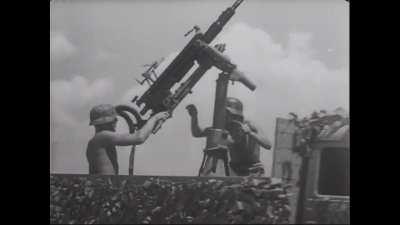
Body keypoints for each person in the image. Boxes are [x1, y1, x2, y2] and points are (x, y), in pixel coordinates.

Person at [186, 97, 272, 176]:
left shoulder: (249, 125)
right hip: (234, 169)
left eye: (227, 114)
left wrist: (250, 133)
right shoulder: (224, 126)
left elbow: (268, 145)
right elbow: (198, 133)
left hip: (253, 169)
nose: (225, 117)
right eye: (223, 114)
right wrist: (194, 117)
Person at [86, 104, 169, 175]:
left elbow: (138, 135)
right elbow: (139, 138)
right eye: (114, 120)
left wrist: (148, 125)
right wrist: (155, 118)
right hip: (104, 187)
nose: (116, 122)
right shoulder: (102, 136)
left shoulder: (97, 140)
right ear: (109, 122)